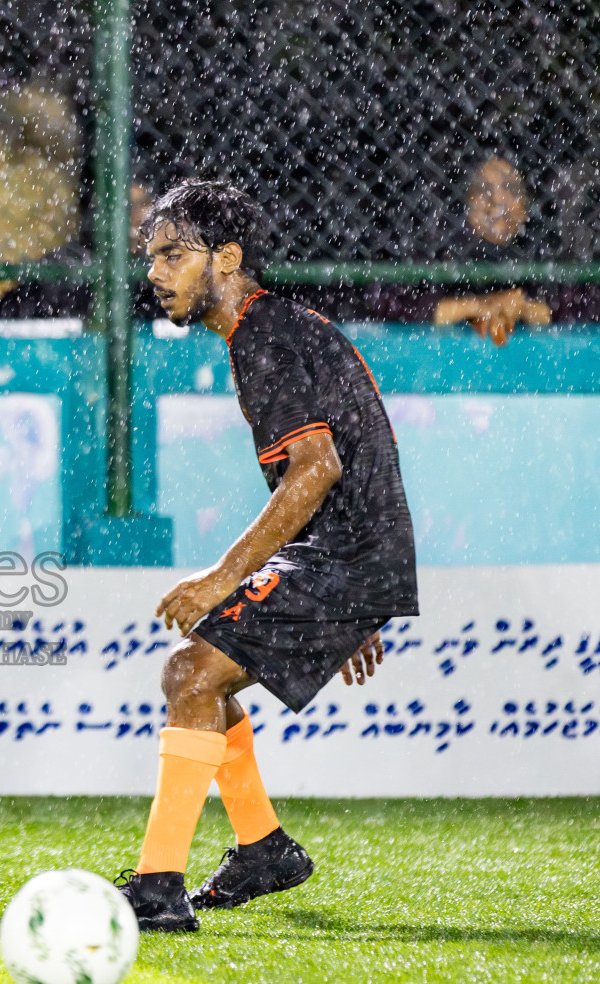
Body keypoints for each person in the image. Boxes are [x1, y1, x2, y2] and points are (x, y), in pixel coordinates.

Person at [114, 180, 417, 933]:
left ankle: (158, 889)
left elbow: (317, 469)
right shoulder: (274, 327)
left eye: (173, 255)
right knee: (197, 678)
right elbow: (350, 453)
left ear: (228, 257)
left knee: (189, 673)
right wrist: (355, 592)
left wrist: (227, 576)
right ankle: (262, 848)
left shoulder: (264, 334)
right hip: (347, 555)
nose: (155, 272)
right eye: (152, 257)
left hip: (342, 553)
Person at [0, 180, 160, 320]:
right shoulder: (70, 268)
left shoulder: (154, 275)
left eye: (144, 204)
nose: (140, 215)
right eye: (128, 206)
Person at [426, 155, 550, 344]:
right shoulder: (447, 244)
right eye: (485, 189)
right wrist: (478, 306)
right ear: (469, 200)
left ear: (524, 203)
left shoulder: (538, 242)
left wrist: (521, 308)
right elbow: (413, 308)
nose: (499, 199)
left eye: (509, 188)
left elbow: (565, 310)